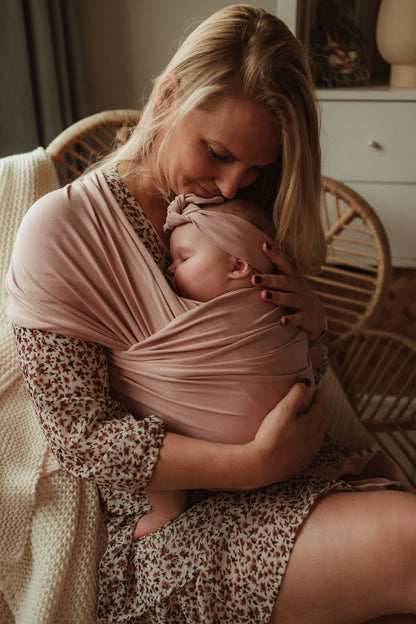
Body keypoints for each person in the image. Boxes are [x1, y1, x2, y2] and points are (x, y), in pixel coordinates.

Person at [6, 5, 416, 623]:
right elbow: (81, 438)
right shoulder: (63, 231)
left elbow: (280, 371)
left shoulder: (239, 213)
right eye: (218, 152)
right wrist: (251, 466)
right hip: (172, 526)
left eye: (255, 168)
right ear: (169, 96)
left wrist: (312, 325)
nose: (230, 186)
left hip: (303, 474)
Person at [130, 193, 315, 538]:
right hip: (226, 459)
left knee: (148, 417)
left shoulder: (282, 308)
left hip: (288, 453)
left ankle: (166, 510)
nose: (168, 269)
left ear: (237, 266)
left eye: (183, 257)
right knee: (150, 429)